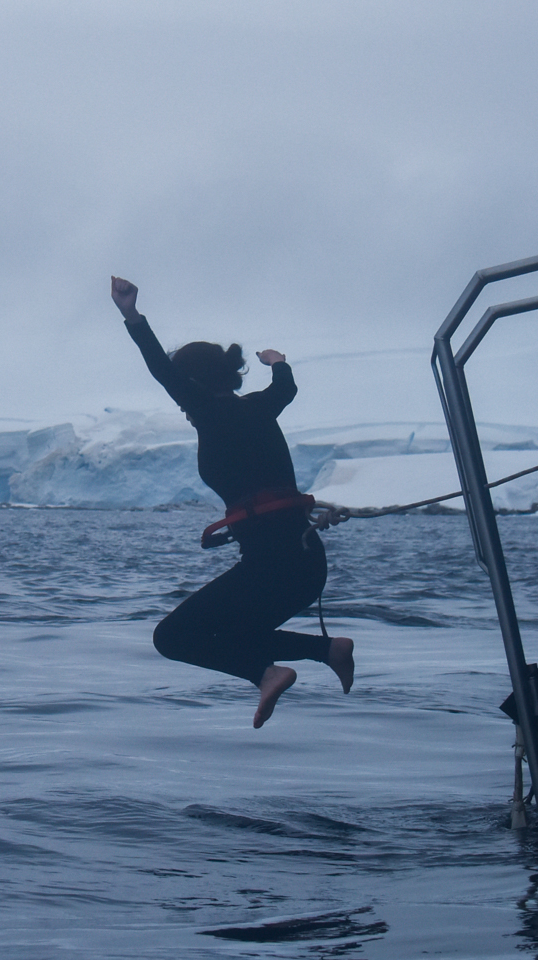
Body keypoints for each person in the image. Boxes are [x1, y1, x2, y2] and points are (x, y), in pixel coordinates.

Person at [109, 276, 353, 728]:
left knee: (174, 638)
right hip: (304, 564)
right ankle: (328, 650)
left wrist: (131, 315)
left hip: (275, 565)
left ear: (192, 384)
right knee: (233, 632)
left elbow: (161, 370)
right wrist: (278, 361)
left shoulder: (207, 410)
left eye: (183, 390)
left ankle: (267, 673)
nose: (181, 405)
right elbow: (286, 388)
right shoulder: (261, 407)